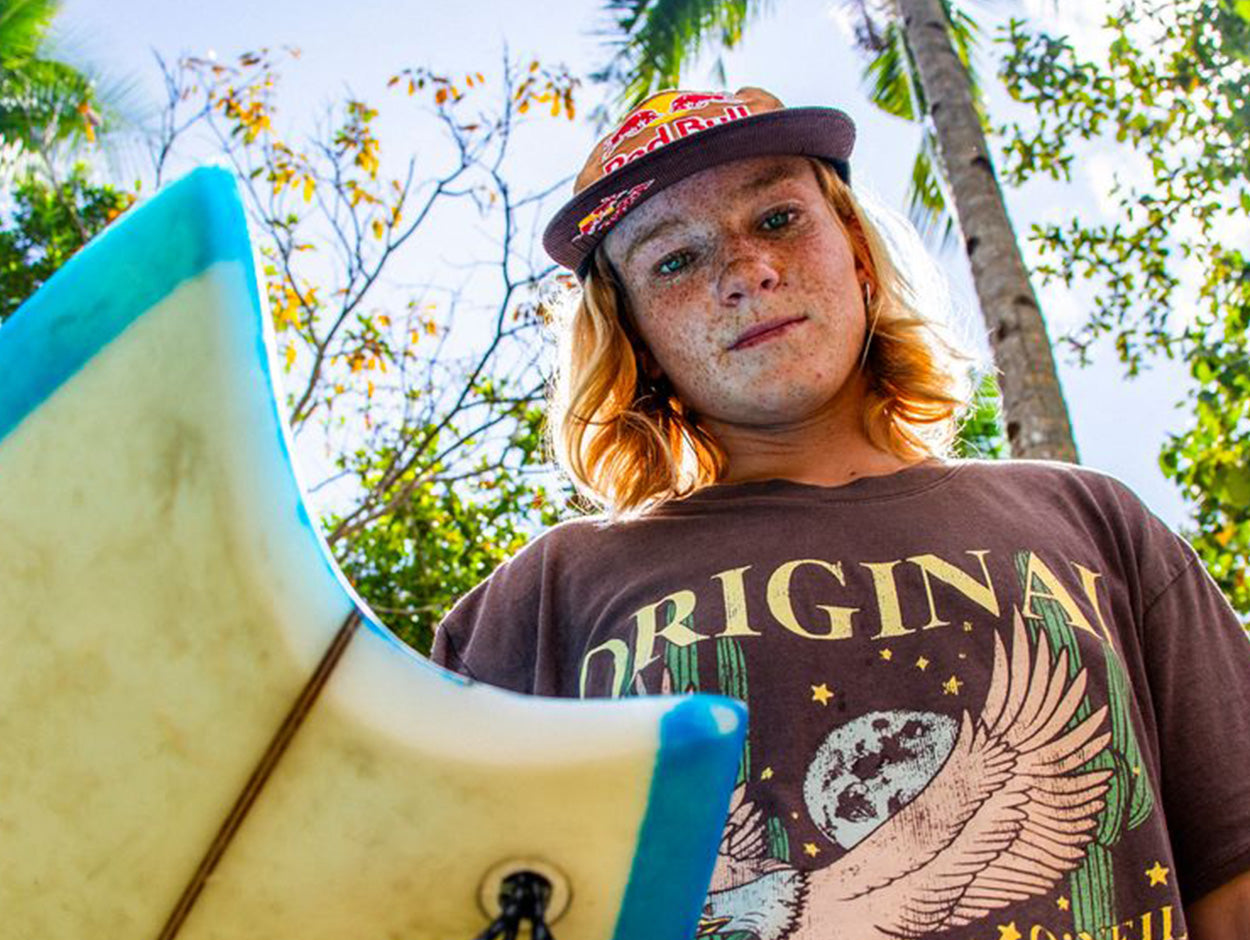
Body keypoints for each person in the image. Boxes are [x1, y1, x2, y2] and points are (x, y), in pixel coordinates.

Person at [432, 86, 1250, 939]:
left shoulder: (1095, 523)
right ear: (635, 334)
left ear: (856, 248)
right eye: (672, 260)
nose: (745, 271)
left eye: (778, 218)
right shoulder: (541, 601)